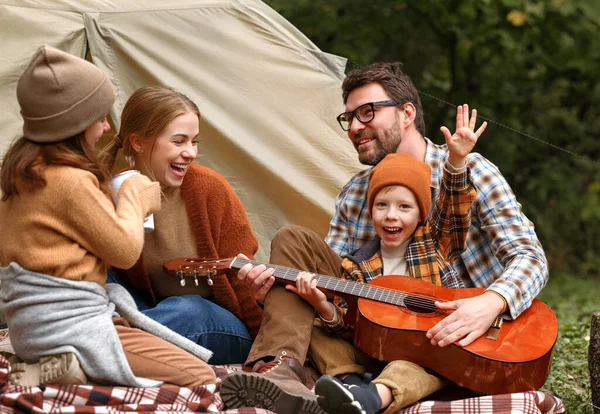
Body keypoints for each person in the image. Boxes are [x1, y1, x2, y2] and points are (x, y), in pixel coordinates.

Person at [221, 106, 485, 414]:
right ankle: (288, 375)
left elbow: (454, 210)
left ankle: (367, 397)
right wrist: (321, 306)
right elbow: (346, 325)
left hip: (420, 353)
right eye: (382, 205)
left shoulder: (434, 244)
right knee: (318, 328)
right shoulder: (357, 264)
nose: (390, 215)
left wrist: (456, 161)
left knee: (424, 365)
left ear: (421, 214)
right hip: (365, 354)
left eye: (404, 207)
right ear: (371, 211)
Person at [0, 45, 216, 387]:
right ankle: (68, 368)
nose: (104, 127)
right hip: (72, 328)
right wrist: (134, 197)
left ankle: (53, 367)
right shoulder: (69, 181)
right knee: (201, 376)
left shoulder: (21, 174)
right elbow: (125, 252)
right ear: (74, 122)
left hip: (33, 329)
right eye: (99, 117)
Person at [326, 62, 549, 347]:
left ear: (406, 114)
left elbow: (530, 257)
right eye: (349, 117)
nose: (355, 126)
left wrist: (492, 302)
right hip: (390, 339)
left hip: (482, 345)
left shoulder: (472, 171)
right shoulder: (355, 194)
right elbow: (332, 275)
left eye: (367, 112)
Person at [103, 85, 263, 364]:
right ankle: (115, 344)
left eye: (194, 141)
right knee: (94, 278)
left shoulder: (209, 190)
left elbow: (241, 282)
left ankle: (99, 345)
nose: (190, 152)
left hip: (217, 321)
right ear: (138, 142)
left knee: (188, 308)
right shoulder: (118, 189)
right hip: (149, 312)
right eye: (179, 141)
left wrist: (264, 349)